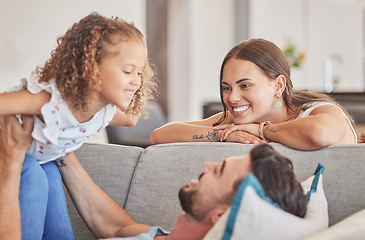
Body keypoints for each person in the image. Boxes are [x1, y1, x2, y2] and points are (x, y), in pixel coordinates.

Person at [0, 115, 307, 240]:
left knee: (27, 171)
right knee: (47, 168)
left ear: (222, 214)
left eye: (220, 171)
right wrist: (62, 149)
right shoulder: (168, 235)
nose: (207, 164)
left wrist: (12, 164)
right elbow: (116, 226)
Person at [0, 12, 157, 239]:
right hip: (9, 153)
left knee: (51, 176)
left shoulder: (104, 112)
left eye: (140, 72)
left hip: (41, 161)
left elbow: (132, 119)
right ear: (90, 67)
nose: (137, 80)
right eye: (127, 71)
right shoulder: (51, 102)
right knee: (34, 176)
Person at [149, 38, 359, 150]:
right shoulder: (236, 121)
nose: (232, 98)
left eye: (245, 85)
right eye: (226, 87)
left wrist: (261, 131)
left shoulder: (317, 110)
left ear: (278, 85)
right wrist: (221, 135)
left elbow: (319, 134)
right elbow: (159, 136)